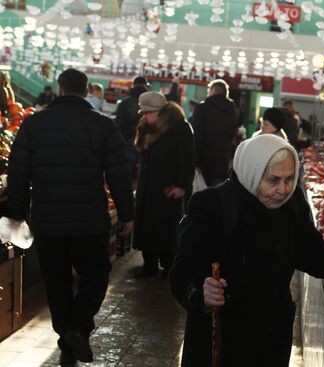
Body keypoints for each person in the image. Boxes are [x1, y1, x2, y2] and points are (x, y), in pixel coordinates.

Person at [170, 134, 324, 367]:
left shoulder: (292, 202)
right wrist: (202, 294)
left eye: (290, 178)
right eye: (273, 180)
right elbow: (182, 273)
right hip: (223, 341)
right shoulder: (212, 205)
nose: (283, 189)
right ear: (252, 173)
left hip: (271, 338)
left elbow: (309, 251)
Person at [7, 68, 134, 365]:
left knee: (56, 278)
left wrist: (17, 214)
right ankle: (77, 327)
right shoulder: (102, 126)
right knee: (96, 274)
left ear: (60, 89)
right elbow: (118, 171)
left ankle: (67, 333)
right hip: (89, 217)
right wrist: (127, 213)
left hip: (47, 217)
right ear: (87, 90)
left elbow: (17, 172)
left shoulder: (33, 124)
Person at [133, 91, 195, 278]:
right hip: (147, 186)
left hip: (168, 188)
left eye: (148, 113)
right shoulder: (146, 126)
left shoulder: (180, 128)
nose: (144, 116)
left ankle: (169, 266)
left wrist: (182, 186)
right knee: (146, 225)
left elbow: (187, 160)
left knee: (166, 228)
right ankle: (149, 264)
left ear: (161, 112)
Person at [190, 79, 238, 186]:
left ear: (214, 90)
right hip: (222, 162)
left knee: (200, 194)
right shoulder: (232, 110)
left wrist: (195, 160)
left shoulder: (202, 108)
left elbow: (196, 135)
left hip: (204, 162)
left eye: (209, 90)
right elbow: (233, 136)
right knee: (216, 194)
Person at [115, 76, 149, 180]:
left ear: (133, 86)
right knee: (141, 175)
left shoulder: (123, 103)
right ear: (145, 86)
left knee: (126, 176)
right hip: (145, 142)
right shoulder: (149, 104)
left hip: (127, 142)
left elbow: (118, 126)